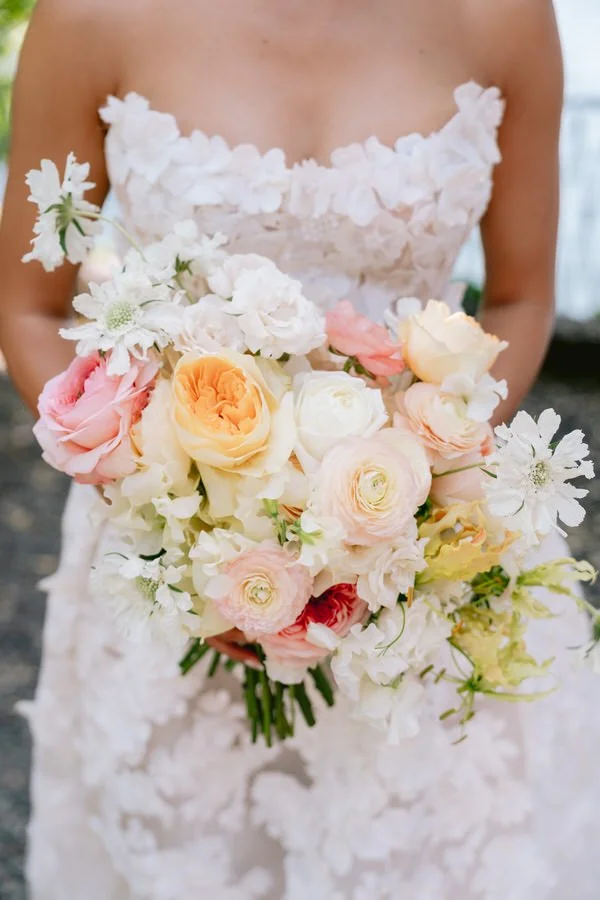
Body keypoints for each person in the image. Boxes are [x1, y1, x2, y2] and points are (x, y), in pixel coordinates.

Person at [0, 0, 599, 897]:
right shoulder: (90, 14)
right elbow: (30, 308)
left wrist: (413, 488)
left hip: (423, 573)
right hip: (169, 571)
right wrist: (188, 522)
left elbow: (517, 298)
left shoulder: (503, 15)